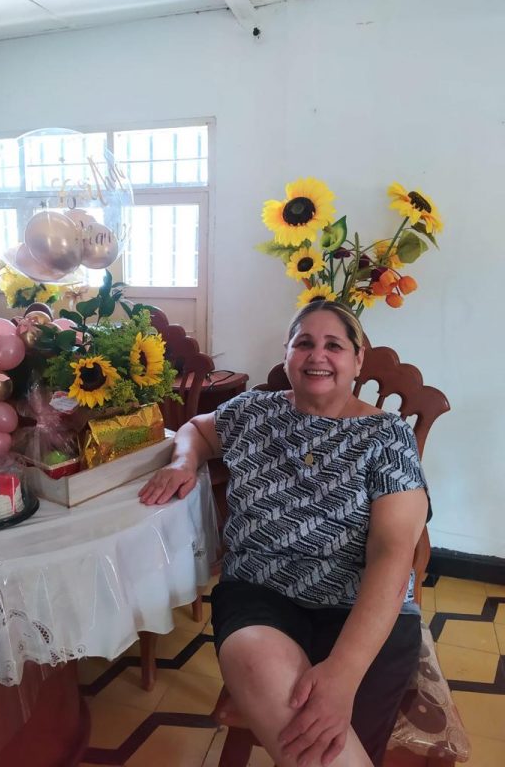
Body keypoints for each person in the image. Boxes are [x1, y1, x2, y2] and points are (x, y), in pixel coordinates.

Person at [139, 300, 430, 767]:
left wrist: (343, 674)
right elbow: (196, 428)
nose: (317, 356)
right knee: (309, 735)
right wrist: (183, 461)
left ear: (358, 360)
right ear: (288, 354)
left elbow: (394, 555)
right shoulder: (254, 411)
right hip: (260, 596)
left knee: (328, 741)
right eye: (305, 343)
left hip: (363, 608)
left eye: (334, 345)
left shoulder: (386, 436)